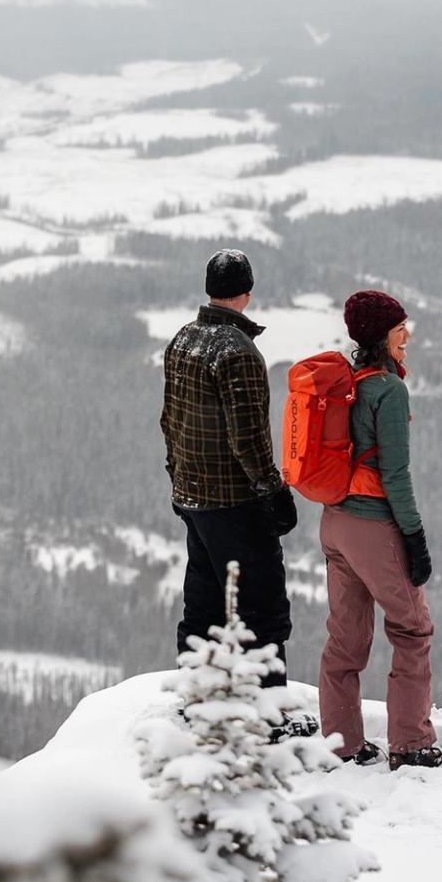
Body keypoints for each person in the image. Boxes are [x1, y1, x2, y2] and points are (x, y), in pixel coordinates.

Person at [160, 248, 301, 690]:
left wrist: (177, 479)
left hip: (193, 499)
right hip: (235, 504)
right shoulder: (238, 351)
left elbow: (170, 420)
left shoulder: (183, 340)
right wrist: (275, 495)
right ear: (248, 292)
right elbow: (249, 437)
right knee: (262, 611)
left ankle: (198, 700)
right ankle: (270, 718)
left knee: (202, 607)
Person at [319, 288, 442, 769]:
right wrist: (414, 535)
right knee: (412, 628)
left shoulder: (345, 381)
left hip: (334, 523)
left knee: (345, 638)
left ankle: (341, 743)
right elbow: (395, 473)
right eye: (398, 329)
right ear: (379, 336)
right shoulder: (389, 391)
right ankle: (411, 744)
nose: (406, 335)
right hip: (373, 526)